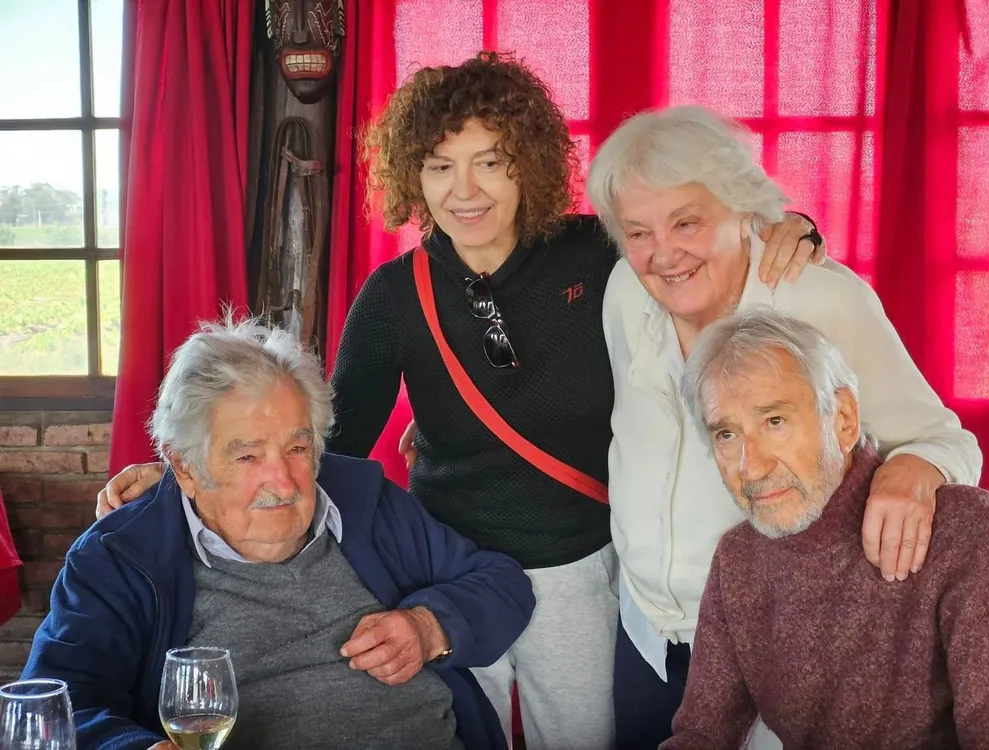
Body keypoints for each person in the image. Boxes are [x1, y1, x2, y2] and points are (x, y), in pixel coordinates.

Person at [95, 54, 820, 749]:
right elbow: (324, 444)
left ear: (527, 166)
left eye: (490, 162)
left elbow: (693, 249)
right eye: (440, 166)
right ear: (414, 176)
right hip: (447, 575)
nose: (464, 190)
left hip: (576, 566)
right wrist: (190, 477)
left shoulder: (594, 252)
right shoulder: (392, 297)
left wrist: (789, 230)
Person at [589, 105, 983, 749]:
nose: (663, 254)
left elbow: (947, 440)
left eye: (687, 222)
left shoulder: (822, 299)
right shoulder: (625, 293)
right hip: (647, 633)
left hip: (782, 647)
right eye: (638, 233)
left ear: (744, 211)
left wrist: (918, 467)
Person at [25, 317, 534, 750]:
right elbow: (55, 703)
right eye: (247, 456)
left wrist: (429, 628)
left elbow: (501, 583)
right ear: (185, 467)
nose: (285, 481)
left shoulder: (368, 504)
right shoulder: (121, 556)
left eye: (297, 448)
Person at [660, 309, 989, 749]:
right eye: (727, 435)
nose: (751, 467)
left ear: (843, 419)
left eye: (774, 422)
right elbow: (701, 736)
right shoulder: (737, 559)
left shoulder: (961, 530)